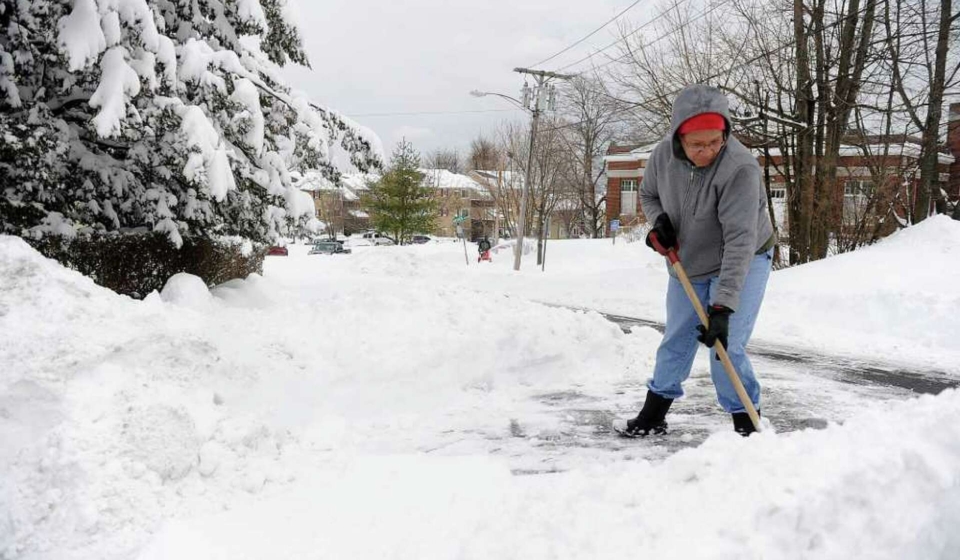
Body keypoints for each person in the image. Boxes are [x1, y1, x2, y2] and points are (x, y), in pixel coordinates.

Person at [613, 84, 776, 438]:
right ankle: (653, 416)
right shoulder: (662, 156)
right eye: (697, 144)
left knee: (724, 346)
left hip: (743, 259)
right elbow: (649, 194)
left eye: (716, 141)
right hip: (687, 260)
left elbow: (739, 241)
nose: (708, 151)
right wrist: (659, 222)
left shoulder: (740, 168)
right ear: (679, 138)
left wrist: (723, 306)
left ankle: (747, 426)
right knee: (677, 338)